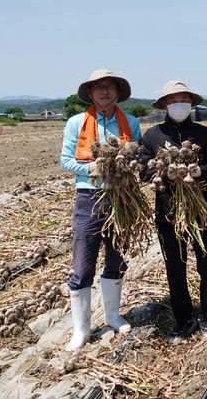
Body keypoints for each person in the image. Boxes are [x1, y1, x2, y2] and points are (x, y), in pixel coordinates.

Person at [60, 69, 142, 350]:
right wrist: (90, 168)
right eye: (99, 88)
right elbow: (65, 161)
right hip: (88, 197)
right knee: (83, 266)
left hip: (121, 199)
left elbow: (138, 158)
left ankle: (113, 316)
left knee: (116, 259)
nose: (104, 92)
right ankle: (81, 331)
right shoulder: (75, 123)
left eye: (110, 87)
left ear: (117, 93)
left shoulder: (130, 122)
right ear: (91, 94)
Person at [140, 80, 207, 344]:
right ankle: (183, 318)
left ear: (192, 103)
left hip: (201, 210)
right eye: (173, 100)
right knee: (175, 265)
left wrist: (198, 172)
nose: (178, 104)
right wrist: (160, 175)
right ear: (164, 104)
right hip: (167, 211)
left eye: (183, 99)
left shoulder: (205, 134)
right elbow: (143, 169)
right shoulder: (151, 135)